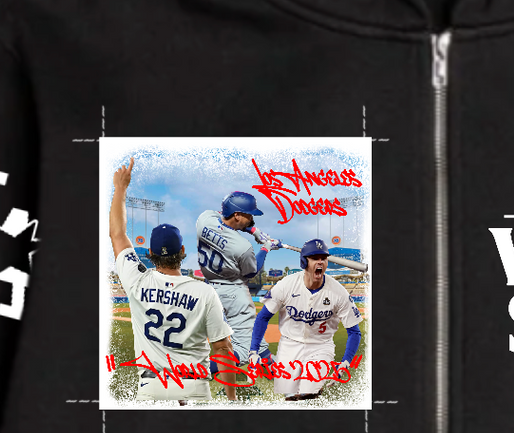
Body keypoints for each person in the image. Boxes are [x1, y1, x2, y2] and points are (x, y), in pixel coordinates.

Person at [109, 163, 241, 403]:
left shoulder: (136, 279)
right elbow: (222, 348)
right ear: (182, 251)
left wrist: (120, 189)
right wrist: (231, 399)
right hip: (194, 387)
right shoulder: (204, 292)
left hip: (151, 388)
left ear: (150, 253)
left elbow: (117, 234)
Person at [251, 238, 362, 402]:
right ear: (304, 262)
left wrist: (345, 362)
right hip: (289, 344)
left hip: (320, 345)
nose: (320, 262)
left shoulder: (339, 292)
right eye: (315, 258)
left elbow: (354, 332)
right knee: (289, 396)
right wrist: (253, 351)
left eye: (323, 258)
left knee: (308, 393)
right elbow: (263, 317)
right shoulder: (286, 285)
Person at [193, 190, 285, 356]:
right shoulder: (242, 247)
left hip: (208, 290)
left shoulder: (204, 219)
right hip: (233, 294)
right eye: (248, 215)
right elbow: (252, 271)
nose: (251, 218)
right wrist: (266, 247)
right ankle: (196, 370)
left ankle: (271, 365)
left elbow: (221, 217)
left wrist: (253, 230)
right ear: (237, 215)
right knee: (249, 349)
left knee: (250, 344)